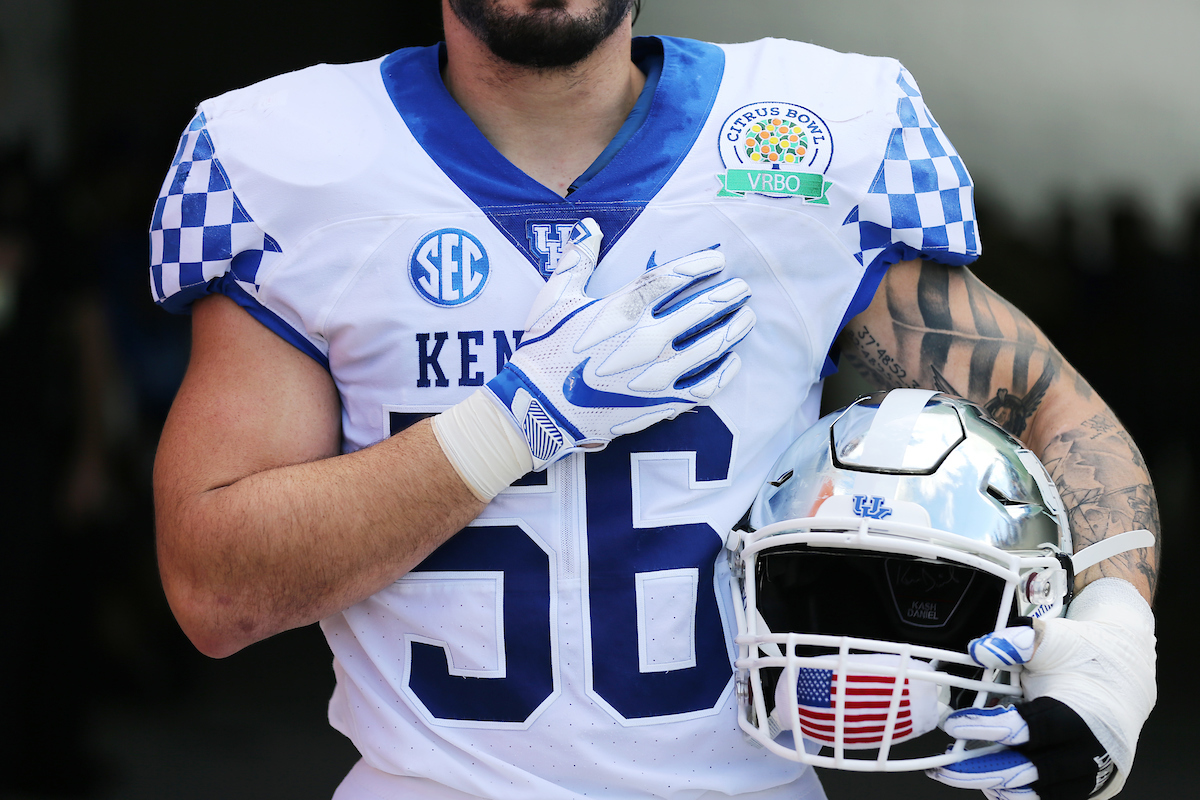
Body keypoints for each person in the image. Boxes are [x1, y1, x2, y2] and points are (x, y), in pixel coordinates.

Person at [149, 2, 1159, 798]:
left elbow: (1053, 411)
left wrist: (1111, 645)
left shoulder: (807, 140)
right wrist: (513, 422)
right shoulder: (292, 161)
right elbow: (214, 590)